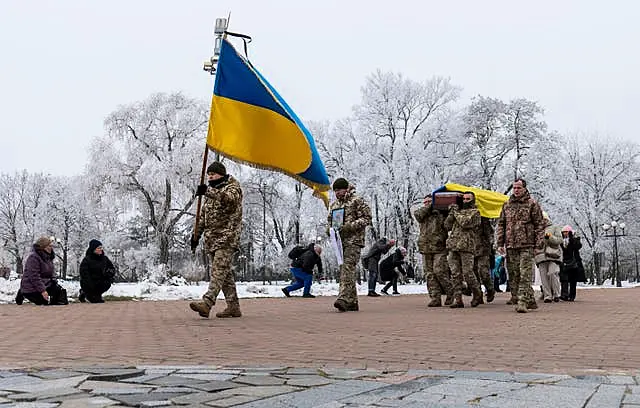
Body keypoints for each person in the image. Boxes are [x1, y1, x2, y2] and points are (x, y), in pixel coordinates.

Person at [189, 161, 243, 319]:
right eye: (209, 174)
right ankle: (233, 307)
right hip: (212, 240)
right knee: (224, 275)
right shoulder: (209, 195)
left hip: (227, 238)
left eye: (213, 174)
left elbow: (229, 200)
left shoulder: (233, 188)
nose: (210, 176)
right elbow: (203, 218)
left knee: (218, 271)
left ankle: (207, 303)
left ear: (222, 174)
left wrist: (208, 191)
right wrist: (195, 236)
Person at [496, 178, 545, 313]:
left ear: (524, 188)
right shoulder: (507, 205)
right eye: (514, 188)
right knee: (514, 274)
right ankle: (530, 300)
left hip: (527, 245)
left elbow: (540, 225)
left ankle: (522, 301)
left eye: (519, 188)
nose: (516, 190)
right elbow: (501, 224)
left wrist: (538, 244)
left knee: (525, 274)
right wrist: (500, 242)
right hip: (511, 245)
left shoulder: (532, 204)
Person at [327, 177, 372, 312]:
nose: (337, 193)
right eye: (335, 191)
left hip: (354, 241)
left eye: (339, 190)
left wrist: (349, 227)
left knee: (347, 268)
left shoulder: (357, 200)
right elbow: (330, 220)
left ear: (346, 189)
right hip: (340, 242)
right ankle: (352, 302)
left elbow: (367, 218)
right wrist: (329, 230)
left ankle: (344, 298)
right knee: (345, 270)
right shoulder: (334, 205)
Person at [413, 195, 453, 307]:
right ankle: (435, 297)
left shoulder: (440, 213)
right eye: (425, 202)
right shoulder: (422, 213)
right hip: (425, 247)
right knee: (429, 274)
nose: (427, 204)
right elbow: (418, 215)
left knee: (439, 271)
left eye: (429, 201)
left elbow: (448, 225)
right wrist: (429, 206)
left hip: (439, 247)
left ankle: (450, 292)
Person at [445, 192, 483, 308]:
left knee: (468, 273)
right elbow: (447, 225)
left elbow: (465, 223)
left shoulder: (475, 213)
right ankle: (458, 299)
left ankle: (477, 293)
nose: (465, 201)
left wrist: (455, 212)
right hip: (453, 245)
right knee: (455, 274)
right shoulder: (457, 212)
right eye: (464, 199)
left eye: (468, 199)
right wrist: (451, 213)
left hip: (467, 246)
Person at [16, 236, 68, 305]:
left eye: (51, 246)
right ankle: (22, 293)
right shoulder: (33, 258)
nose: (51, 248)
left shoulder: (48, 258)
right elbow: (34, 277)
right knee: (43, 302)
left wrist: (54, 282)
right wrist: (43, 291)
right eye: (49, 246)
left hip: (45, 283)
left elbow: (51, 272)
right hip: (31, 285)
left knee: (60, 297)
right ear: (42, 247)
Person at [534, 213, 563, 303]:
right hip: (540, 255)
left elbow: (559, 240)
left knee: (553, 273)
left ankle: (556, 294)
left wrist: (550, 237)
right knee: (543, 277)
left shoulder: (554, 227)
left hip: (552, 255)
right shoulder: (536, 230)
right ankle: (547, 295)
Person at [473, 216, 496, 303]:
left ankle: (490, 289)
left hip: (483, 249)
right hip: (470, 248)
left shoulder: (483, 219)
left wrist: (491, 244)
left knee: (483, 272)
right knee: (474, 273)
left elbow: (489, 233)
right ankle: (478, 295)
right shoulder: (467, 215)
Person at [560, 225, 585, 301]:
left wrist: (572, 238)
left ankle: (572, 295)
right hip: (564, 261)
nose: (565, 233)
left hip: (574, 262)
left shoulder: (574, 240)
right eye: (564, 232)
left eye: (567, 232)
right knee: (564, 279)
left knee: (573, 280)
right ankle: (564, 295)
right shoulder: (561, 241)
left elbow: (578, 246)